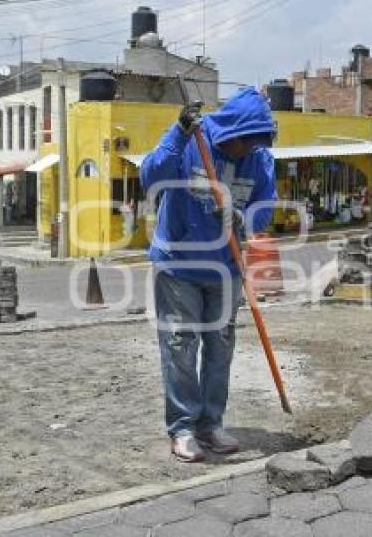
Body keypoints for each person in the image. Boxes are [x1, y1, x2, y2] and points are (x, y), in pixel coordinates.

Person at [140, 88, 277, 462]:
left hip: (225, 268)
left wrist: (241, 220)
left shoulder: (261, 159)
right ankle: (183, 427)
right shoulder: (192, 139)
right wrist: (178, 132)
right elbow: (150, 178)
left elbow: (263, 211)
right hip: (179, 263)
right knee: (181, 346)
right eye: (245, 141)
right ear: (231, 131)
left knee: (220, 347)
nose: (248, 149)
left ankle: (210, 423)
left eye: (256, 142)